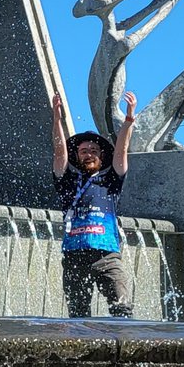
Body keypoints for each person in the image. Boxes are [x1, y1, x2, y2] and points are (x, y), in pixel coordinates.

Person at [51, 89, 137, 318]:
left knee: (122, 308)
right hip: (73, 255)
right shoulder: (67, 181)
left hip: (106, 255)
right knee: (78, 314)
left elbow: (122, 151)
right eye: (83, 151)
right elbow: (59, 150)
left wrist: (128, 122)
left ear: (101, 155)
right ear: (77, 156)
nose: (88, 154)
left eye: (93, 151)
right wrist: (57, 119)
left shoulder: (111, 179)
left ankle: (123, 351)